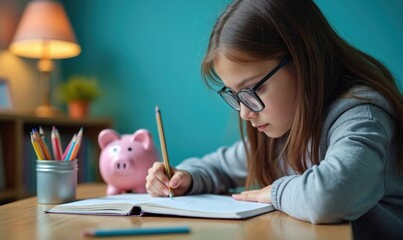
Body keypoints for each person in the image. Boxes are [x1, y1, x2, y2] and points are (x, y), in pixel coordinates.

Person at [145, 0, 403, 239]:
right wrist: (183, 178)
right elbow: (220, 167)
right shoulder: (282, 129)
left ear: (302, 60)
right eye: (234, 95)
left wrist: (274, 192)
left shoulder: (361, 116)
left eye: (253, 89)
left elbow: (330, 197)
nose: (244, 113)